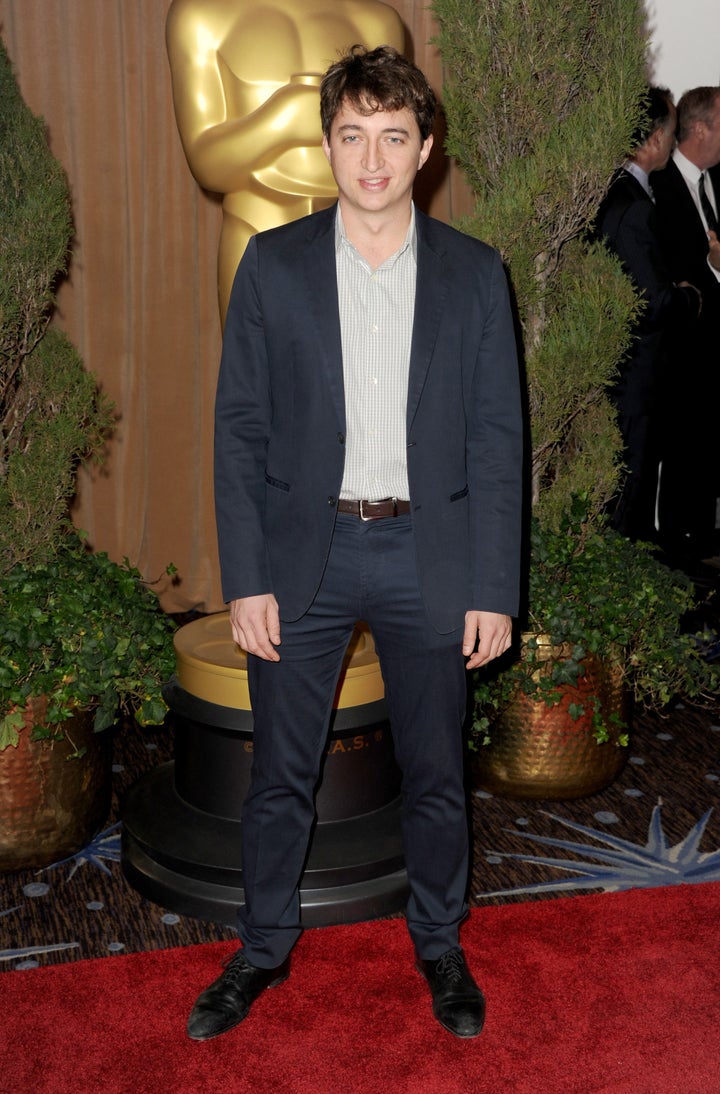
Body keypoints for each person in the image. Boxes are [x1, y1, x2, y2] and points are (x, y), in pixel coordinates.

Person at [187, 45, 523, 1042]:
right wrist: (244, 578)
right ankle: (259, 946)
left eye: (391, 137)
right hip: (307, 556)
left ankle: (439, 942)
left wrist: (492, 586)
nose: (370, 159)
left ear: (423, 148)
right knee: (281, 771)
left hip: (433, 554)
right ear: (328, 145)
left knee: (433, 770)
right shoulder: (275, 264)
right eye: (351, 136)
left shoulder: (473, 274)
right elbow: (238, 428)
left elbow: (498, 438)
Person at [165, 0, 405, 324]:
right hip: (256, 226)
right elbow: (207, 163)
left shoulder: (376, 21)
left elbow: (397, 144)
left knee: (372, 368)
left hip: (363, 231)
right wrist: (284, 118)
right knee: (258, 370)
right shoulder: (202, 16)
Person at [594, 87, 702, 542]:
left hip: (619, 371)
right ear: (654, 139)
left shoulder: (614, 191)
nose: (674, 142)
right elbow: (649, 303)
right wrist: (689, 296)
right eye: (672, 132)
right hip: (635, 377)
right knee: (628, 496)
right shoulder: (634, 206)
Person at [651, 86, 720, 562]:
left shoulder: (717, 179)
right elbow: (678, 277)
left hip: (715, 360)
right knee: (682, 469)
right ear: (701, 130)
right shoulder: (660, 190)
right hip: (682, 362)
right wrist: (715, 266)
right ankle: (680, 567)